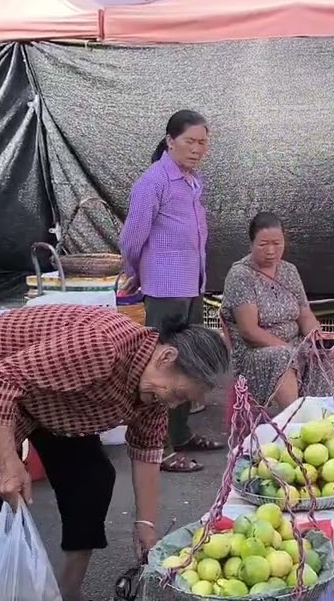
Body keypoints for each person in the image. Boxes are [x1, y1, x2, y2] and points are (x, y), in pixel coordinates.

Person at [0, 306, 229, 601]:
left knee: (92, 479)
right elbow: (2, 380)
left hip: (52, 399)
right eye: (178, 395)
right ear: (166, 357)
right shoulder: (102, 348)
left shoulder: (154, 392)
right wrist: (8, 463)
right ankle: (3, 592)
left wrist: (146, 525)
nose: (171, 405)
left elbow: (147, 449)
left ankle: (67, 591)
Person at [120, 109, 223, 473]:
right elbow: (132, 237)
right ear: (170, 142)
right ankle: (157, 447)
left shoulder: (193, 182)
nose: (197, 149)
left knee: (188, 365)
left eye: (203, 143)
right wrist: (134, 271)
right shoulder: (153, 182)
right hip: (164, 290)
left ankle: (180, 436)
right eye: (190, 142)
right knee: (161, 369)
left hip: (191, 287)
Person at [221, 212, 334, 409]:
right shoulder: (240, 276)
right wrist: (289, 349)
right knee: (283, 357)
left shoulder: (289, 271)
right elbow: (249, 331)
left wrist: (315, 338)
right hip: (256, 354)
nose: (271, 251)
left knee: (322, 356)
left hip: (293, 344)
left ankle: (322, 417)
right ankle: (295, 421)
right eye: (263, 244)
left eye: (277, 243)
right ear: (251, 244)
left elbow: (304, 313)